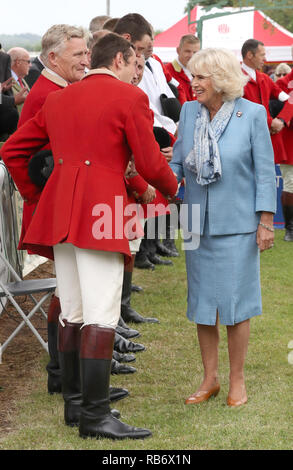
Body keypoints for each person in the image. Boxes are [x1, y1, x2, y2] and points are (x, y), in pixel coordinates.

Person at [0, 33, 178, 439]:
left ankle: (76, 404)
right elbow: (149, 160)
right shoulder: (128, 98)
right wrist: (174, 189)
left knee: (73, 309)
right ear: (119, 59)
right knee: (99, 312)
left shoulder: (60, 97)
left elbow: (12, 150)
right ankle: (95, 415)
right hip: (103, 211)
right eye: (132, 61)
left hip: (62, 212)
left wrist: (39, 195)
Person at [170, 48, 276, 408]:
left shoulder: (253, 114)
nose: (193, 82)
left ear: (221, 79)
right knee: (202, 304)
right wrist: (155, 183)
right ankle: (209, 379)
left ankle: (237, 380)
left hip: (238, 224)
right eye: (193, 76)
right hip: (195, 222)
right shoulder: (187, 111)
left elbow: (265, 171)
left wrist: (265, 221)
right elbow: (177, 164)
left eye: (200, 76)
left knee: (235, 304)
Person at [241, 39, 293, 167]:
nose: (265, 58)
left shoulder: (264, 79)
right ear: (249, 55)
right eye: (262, 55)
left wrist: (281, 120)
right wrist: (271, 122)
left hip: (265, 143)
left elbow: (289, 100)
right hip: (244, 143)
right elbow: (244, 111)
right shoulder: (235, 78)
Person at [275, 48, 293, 241]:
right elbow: (273, 107)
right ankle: (290, 228)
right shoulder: (283, 83)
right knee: (290, 184)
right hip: (290, 143)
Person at [165, 35, 200, 104]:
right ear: (178, 50)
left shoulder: (201, 72)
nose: (191, 56)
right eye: (187, 51)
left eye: (195, 52)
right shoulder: (167, 71)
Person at [7, 47, 30, 114]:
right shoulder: (4, 79)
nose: (30, 65)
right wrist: (13, 101)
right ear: (18, 62)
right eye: (28, 62)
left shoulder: (21, 78)